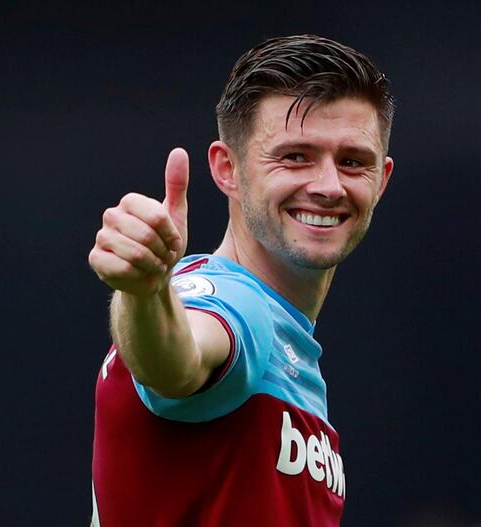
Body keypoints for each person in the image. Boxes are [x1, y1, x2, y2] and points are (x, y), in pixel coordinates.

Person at [87, 34, 395, 527]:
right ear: (227, 169)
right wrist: (146, 292)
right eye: (295, 156)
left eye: (353, 162)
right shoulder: (235, 304)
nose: (329, 186)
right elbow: (176, 362)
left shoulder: (289, 346)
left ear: (382, 180)